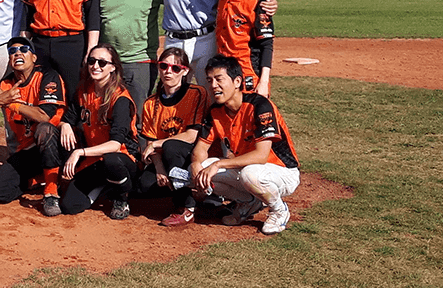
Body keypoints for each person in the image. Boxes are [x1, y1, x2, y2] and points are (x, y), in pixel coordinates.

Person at [191, 55, 300, 235]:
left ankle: (279, 210)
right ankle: (249, 202)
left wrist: (218, 164)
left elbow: (261, 156)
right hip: (248, 169)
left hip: (282, 172)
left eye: (219, 79)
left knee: (250, 174)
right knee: (201, 169)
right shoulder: (215, 111)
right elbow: (200, 149)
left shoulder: (260, 106)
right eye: (210, 80)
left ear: (237, 82)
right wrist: (196, 166)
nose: (213, 86)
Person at [0, 37, 69, 217]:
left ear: (34, 57)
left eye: (24, 49)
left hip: (55, 146)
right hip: (27, 151)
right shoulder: (4, 85)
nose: (18, 53)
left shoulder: (48, 76)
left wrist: (10, 103)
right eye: (12, 51)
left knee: (44, 129)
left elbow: (44, 116)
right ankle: (36, 179)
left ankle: (51, 191)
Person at [58, 44, 139, 219]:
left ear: (113, 67)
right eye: (92, 61)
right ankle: (107, 186)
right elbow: (67, 118)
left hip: (123, 158)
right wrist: (65, 125)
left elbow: (115, 145)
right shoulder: (84, 91)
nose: (95, 66)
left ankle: (121, 198)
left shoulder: (120, 98)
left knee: (111, 161)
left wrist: (79, 152)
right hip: (95, 159)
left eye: (102, 62)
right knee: (69, 205)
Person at [133, 47, 209, 226]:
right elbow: (150, 141)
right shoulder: (151, 103)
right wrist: (159, 168)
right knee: (143, 186)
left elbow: (191, 136)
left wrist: (157, 144)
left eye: (175, 68)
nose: (168, 72)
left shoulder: (197, 93)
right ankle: (192, 191)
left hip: (190, 156)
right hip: (165, 157)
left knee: (171, 146)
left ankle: (186, 207)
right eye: (164, 66)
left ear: (185, 71)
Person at [217, 0, 275, 96]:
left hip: (247, 72)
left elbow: (266, 45)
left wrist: (263, 82)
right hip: (224, 72)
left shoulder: (258, 0)